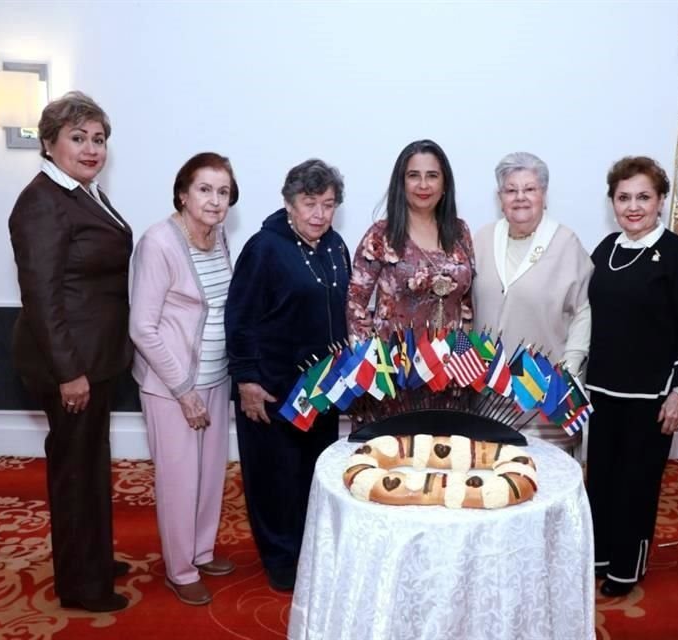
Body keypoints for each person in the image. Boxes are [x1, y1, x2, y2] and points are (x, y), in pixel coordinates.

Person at [8, 91, 133, 612]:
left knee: (90, 461)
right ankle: (82, 586)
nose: (90, 148)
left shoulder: (84, 193)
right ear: (49, 142)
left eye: (98, 139)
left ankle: (93, 559)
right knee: (75, 471)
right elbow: (40, 297)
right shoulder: (41, 202)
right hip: (69, 365)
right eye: (78, 138)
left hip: (94, 359)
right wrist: (69, 373)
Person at [585, 156, 678, 598]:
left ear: (660, 201)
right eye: (623, 197)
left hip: (651, 396)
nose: (633, 206)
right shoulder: (605, 249)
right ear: (612, 202)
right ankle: (598, 554)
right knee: (600, 478)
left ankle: (625, 566)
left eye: (643, 197)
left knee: (636, 483)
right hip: (601, 390)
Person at [225, 159, 349, 592]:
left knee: (313, 476)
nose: (318, 213)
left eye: (328, 204)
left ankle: (309, 552)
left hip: (321, 389)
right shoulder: (264, 247)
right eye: (308, 202)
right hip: (273, 389)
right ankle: (280, 560)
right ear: (289, 203)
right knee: (275, 480)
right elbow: (239, 319)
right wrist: (247, 380)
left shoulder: (335, 247)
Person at [129, 152, 239, 606]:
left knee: (210, 474)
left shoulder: (219, 237)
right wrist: (182, 390)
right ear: (183, 192)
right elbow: (142, 327)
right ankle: (179, 567)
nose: (215, 201)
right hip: (172, 387)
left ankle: (201, 548)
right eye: (205, 189)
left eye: (224, 192)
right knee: (179, 479)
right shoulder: (159, 242)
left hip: (216, 378)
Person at [472, 151, 593, 453]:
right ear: (500, 198)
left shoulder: (566, 242)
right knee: (493, 470)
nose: (520, 197)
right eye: (511, 190)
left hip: (545, 388)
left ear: (544, 195)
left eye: (530, 189)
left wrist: (572, 364)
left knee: (545, 475)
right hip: (491, 386)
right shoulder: (483, 239)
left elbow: (584, 309)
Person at [348, 139, 474, 339]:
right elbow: (355, 308)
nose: (423, 185)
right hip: (396, 363)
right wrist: (371, 362)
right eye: (413, 176)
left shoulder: (460, 231)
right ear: (401, 183)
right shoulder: (379, 236)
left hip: (451, 362)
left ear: (445, 184)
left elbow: (466, 305)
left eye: (432, 176)